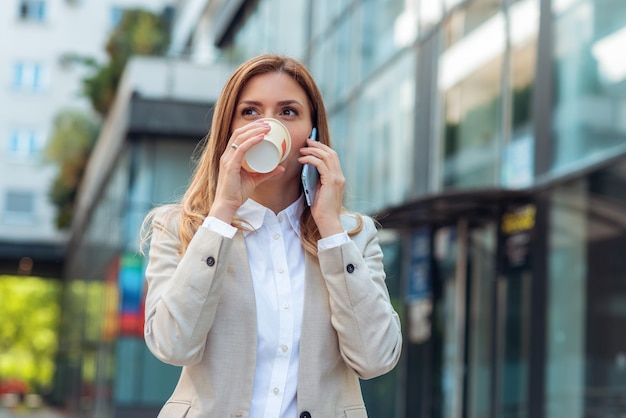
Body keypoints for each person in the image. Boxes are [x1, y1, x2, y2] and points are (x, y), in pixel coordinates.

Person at [141, 53, 402, 418]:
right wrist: (221, 214)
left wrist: (330, 227)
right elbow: (173, 346)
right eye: (250, 112)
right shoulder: (181, 228)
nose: (267, 126)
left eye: (288, 112)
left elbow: (376, 358)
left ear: (313, 134)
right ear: (227, 130)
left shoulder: (352, 238)